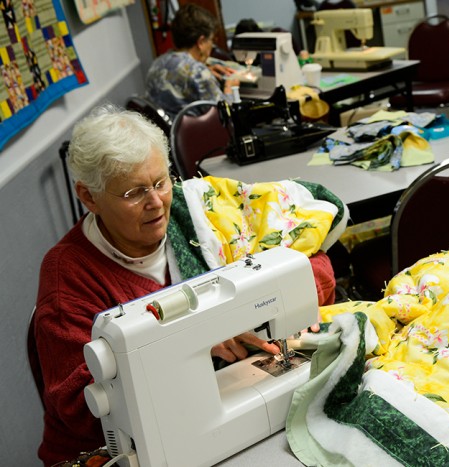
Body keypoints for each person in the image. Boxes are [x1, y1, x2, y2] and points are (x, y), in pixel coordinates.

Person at [32, 104, 336, 466]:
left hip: (208, 423)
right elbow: (80, 408)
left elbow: (314, 262)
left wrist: (271, 310)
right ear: (88, 197)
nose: (156, 202)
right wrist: (199, 341)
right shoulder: (67, 278)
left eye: (161, 182)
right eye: (134, 193)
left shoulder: (201, 212)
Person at [145, 3, 238, 119]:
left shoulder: (157, 63)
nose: (212, 45)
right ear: (201, 42)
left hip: (165, 131)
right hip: (194, 134)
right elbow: (225, 116)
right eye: (211, 40)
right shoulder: (198, 72)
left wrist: (207, 71)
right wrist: (230, 87)